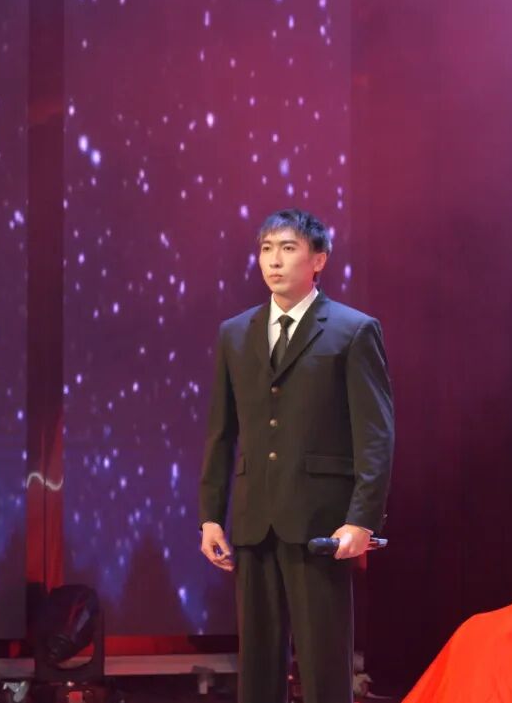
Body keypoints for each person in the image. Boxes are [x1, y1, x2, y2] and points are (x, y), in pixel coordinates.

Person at [198, 208, 395, 703]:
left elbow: (375, 435)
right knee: (257, 666)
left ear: (318, 259)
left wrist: (362, 519)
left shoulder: (353, 330)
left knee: (324, 665)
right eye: (266, 249)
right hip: (253, 522)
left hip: (319, 523)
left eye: (288, 249)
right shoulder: (235, 333)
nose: (274, 261)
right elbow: (221, 432)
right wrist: (210, 517)